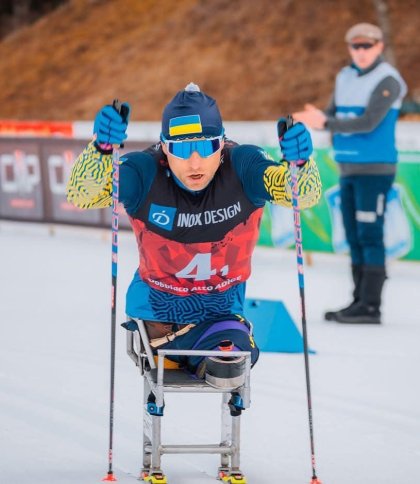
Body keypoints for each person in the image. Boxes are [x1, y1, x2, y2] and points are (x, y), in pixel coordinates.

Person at [67, 82, 321, 371]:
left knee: (228, 369)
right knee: (166, 380)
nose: (194, 161)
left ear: (222, 143)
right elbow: (82, 195)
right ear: (164, 147)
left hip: (220, 315)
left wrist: (300, 164)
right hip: (157, 317)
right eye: (182, 149)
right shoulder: (144, 170)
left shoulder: (244, 164)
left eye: (206, 146)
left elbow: (303, 195)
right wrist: (100, 150)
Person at [293, 23, 407, 325]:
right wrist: (318, 120)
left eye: (367, 46)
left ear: (379, 46)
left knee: (370, 235)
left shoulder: (389, 80)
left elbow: (368, 122)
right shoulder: (345, 76)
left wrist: (326, 124)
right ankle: (358, 300)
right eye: (356, 46)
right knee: (355, 237)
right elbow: (331, 114)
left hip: (375, 169)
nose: (361, 52)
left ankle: (371, 305)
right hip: (347, 168)